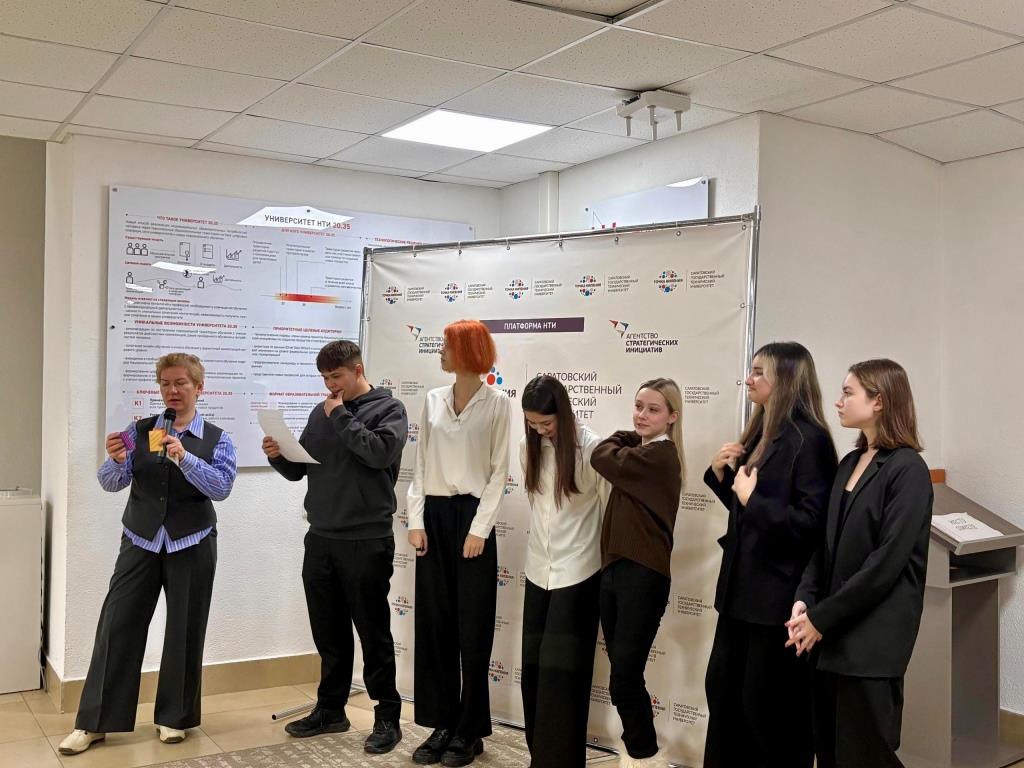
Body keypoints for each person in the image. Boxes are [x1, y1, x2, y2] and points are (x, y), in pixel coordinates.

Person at [59, 354, 236, 755]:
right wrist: (116, 460)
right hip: (140, 539)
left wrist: (185, 457)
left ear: (199, 388)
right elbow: (110, 482)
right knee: (116, 625)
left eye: (181, 383)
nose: (172, 391)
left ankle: (174, 718)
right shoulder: (138, 431)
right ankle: (94, 723)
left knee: (185, 629)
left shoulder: (217, 438)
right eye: (165, 384)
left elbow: (222, 487)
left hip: (192, 541)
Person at [264, 340, 408, 755]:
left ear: (358, 369)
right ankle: (330, 710)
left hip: (366, 538)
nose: (330, 385)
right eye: (325, 378)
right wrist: (278, 455)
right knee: (328, 631)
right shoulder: (322, 410)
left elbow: (378, 454)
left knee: (373, 632)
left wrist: (341, 415)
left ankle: (387, 716)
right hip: (321, 536)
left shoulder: (389, 409)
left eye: (337, 376)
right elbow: (301, 469)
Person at [788, 359, 933, 768]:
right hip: (830, 637)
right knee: (830, 752)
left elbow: (885, 564)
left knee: (866, 755)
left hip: (871, 643)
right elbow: (824, 546)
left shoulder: (908, 470)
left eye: (848, 393)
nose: (838, 401)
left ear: (879, 401)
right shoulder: (849, 463)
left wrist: (820, 618)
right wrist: (804, 599)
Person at [702, 342, 837, 768]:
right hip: (740, 596)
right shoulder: (762, 430)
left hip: (776, 601)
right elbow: (752, 517)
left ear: (787, 379)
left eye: (760, 371)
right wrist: (721, 477)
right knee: (723, 695)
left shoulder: (809, 440)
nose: (749, 378)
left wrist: (751, 498)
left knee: (766, 712)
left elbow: (809, 526)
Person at [407, 319, 511, 767]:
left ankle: (470, 730)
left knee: (473, 629)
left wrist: (479, 530)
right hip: (433, 515)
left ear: (467, 351)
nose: (441, 353)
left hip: (472, 518)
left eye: (446, 346)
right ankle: (442, 723)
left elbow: (499, 472)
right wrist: (415, 519)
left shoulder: (498, 403)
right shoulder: (433, 399)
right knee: (435, 626)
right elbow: (420, 463)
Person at [590, 378, 685, 768]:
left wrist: (627, 436)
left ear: (673, 417)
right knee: (623, 677)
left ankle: (645, 757)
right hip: (616, 570)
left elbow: (601, 456)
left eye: (653, 409)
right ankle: (641, 754)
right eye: (638, 406)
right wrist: (633, 437)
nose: (642, 415)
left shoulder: (659, 456)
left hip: (642, 576)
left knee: (625, 678)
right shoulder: (643, 451)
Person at [519, 375, 608, 768]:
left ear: (564, 414)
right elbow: (537, 506)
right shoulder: (528, 447)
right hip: (537, 569)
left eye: (546, 423)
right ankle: (540, 756)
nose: (540, 431)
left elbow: (608, 509)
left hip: (579, 572)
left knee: (564, 677)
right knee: (534, 671)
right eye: (532, 424)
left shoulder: (592, 449)